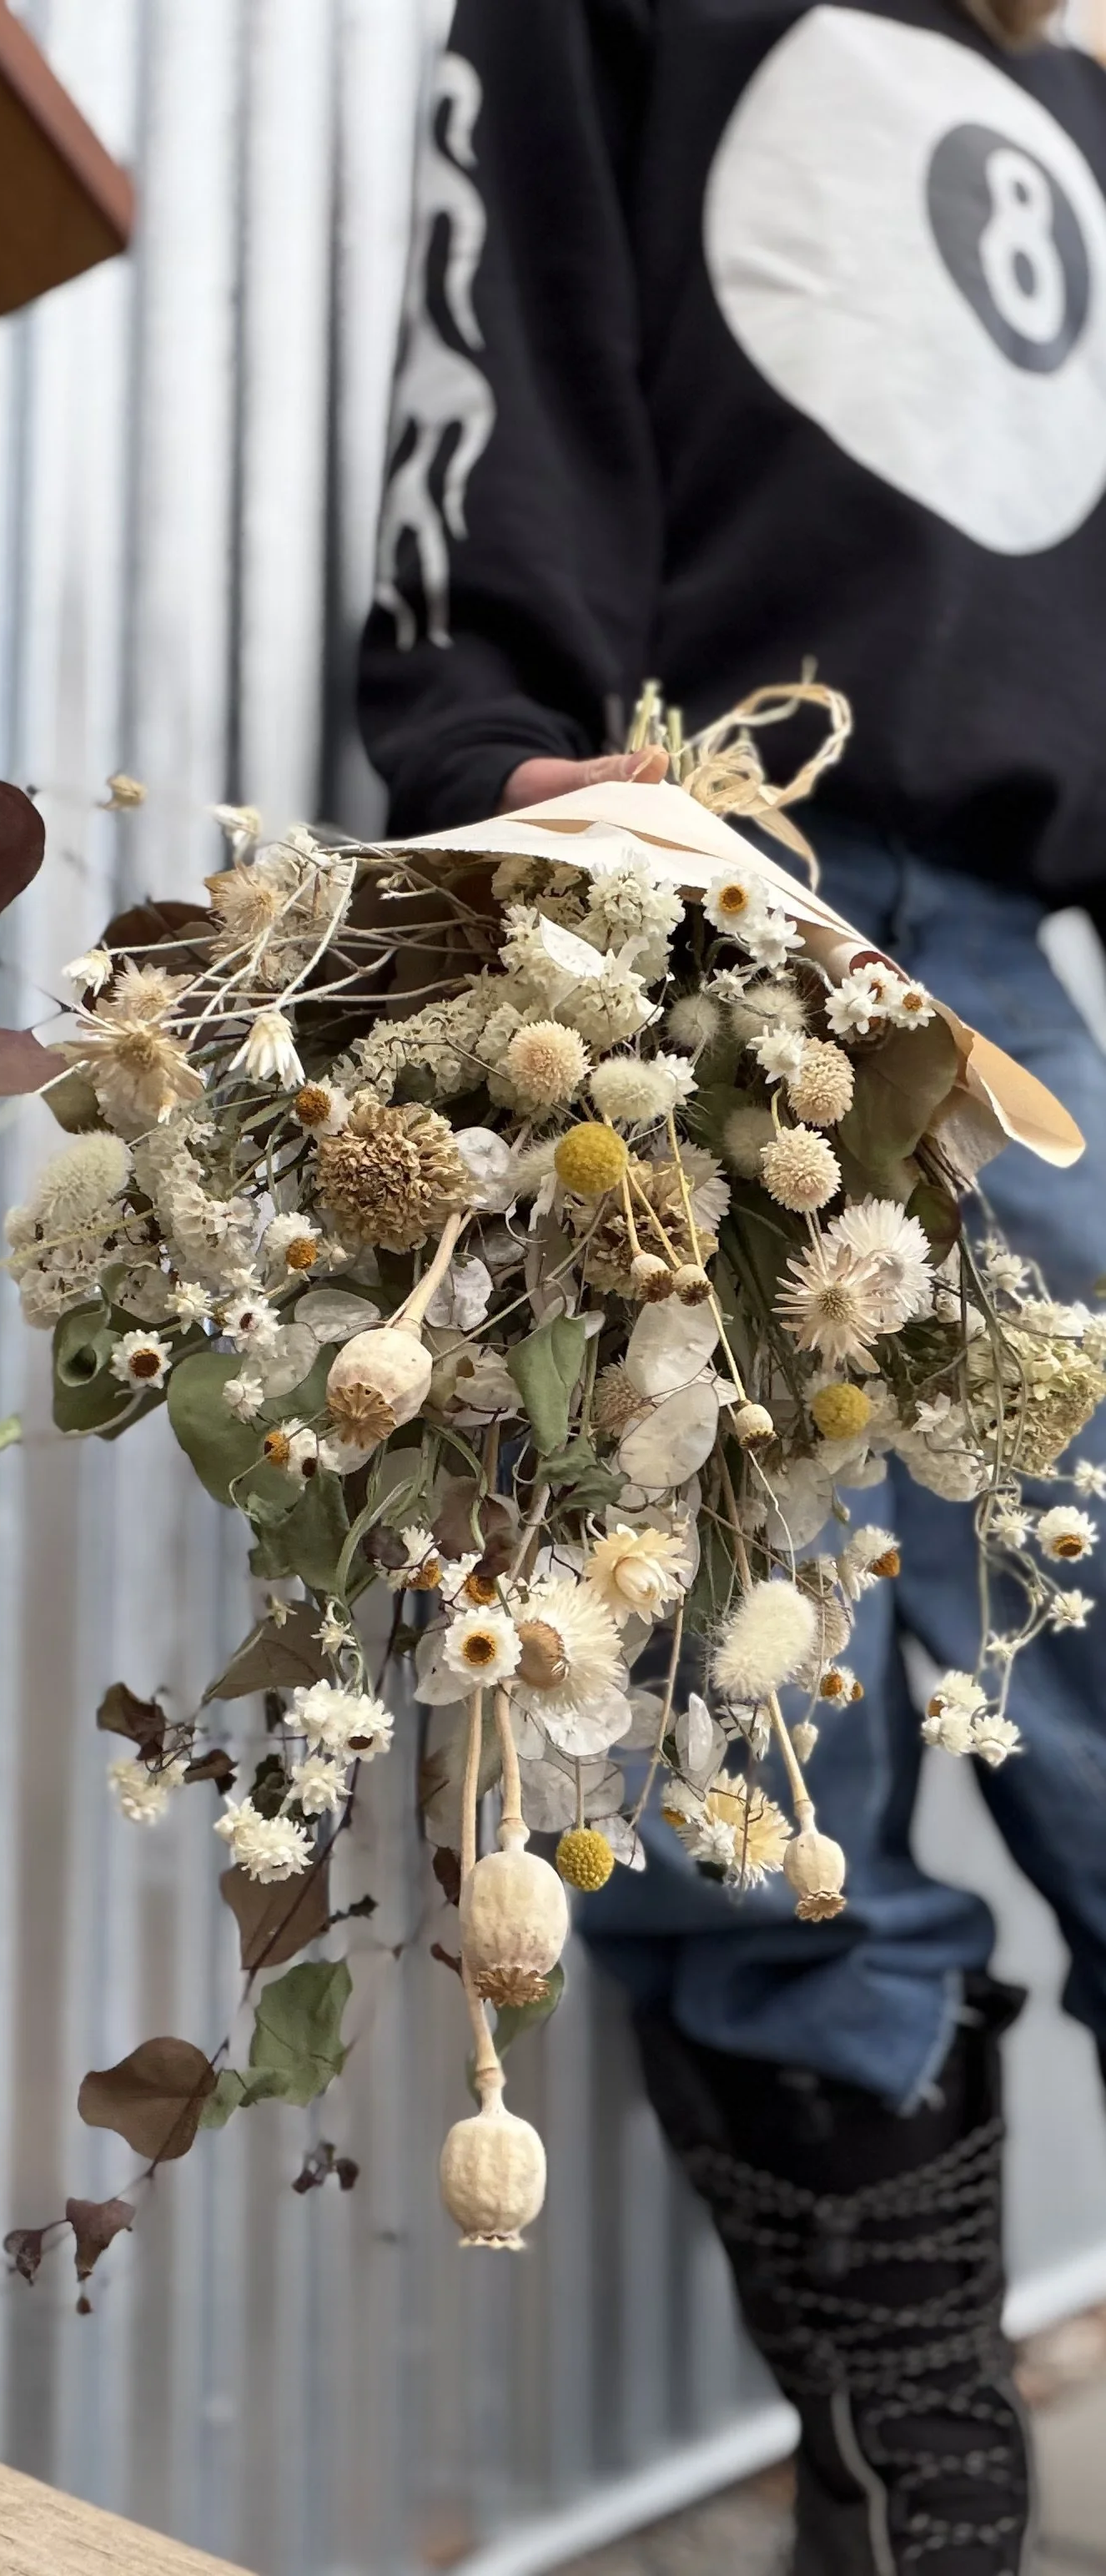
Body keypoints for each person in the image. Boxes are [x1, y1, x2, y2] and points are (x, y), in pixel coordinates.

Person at [358, 5, 1106, 2570]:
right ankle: (925, 2510)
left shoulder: (1087, 104)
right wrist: (490, 765)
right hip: (672, 896)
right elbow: (507, 342)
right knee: (708, 1768)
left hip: (1017, 991)